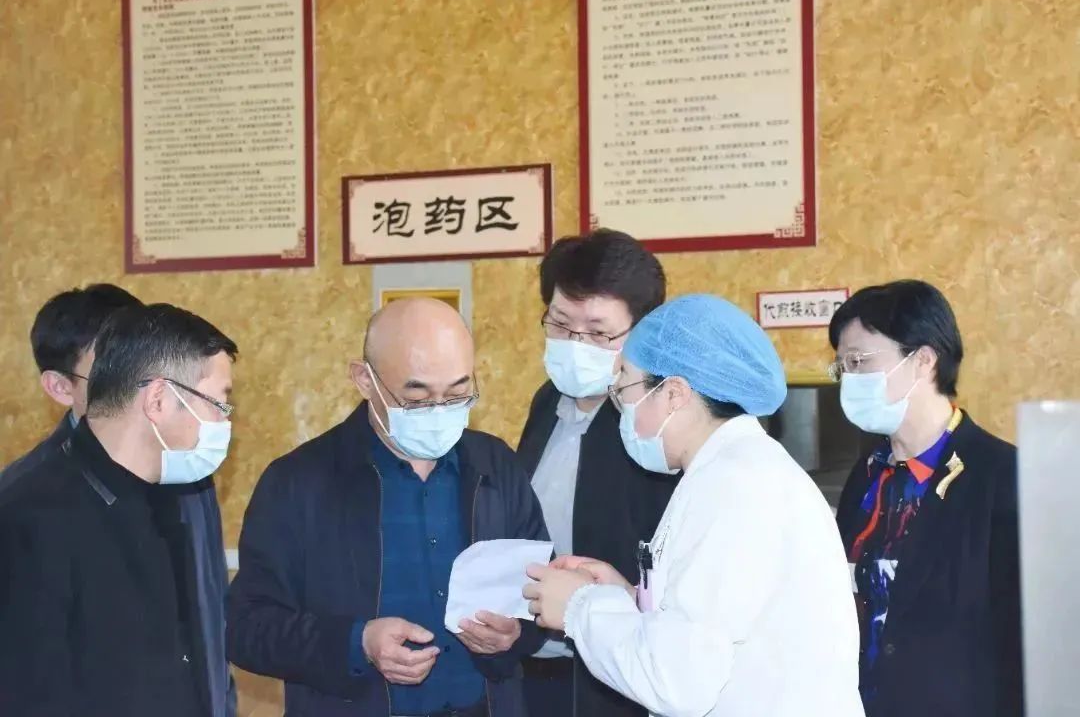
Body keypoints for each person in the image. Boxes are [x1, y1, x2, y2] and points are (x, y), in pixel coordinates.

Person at [524, 294, 863, 717]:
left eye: (624, 389)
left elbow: (678, 681)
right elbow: (708, 621)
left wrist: (579, 607)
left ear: (673, 394)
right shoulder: (725, 470)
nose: (621, 410)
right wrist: (628, 597)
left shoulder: (735, 486)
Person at [227, 298, 549, 717]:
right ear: (365, 380)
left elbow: (540, 588)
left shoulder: (496, 466)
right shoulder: (297, 482)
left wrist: (517, 633)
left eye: (457, 393)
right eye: (417, 397)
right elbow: (246, 627)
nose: (439, 411)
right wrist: (356, 643)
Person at [0, 284, 238, 717]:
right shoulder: (28, 513)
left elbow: (203, 631)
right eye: (218, 404)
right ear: (158, 399)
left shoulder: (182, 478)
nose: (224, 422)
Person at [827, 280, 1022, 717]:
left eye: (858, 361)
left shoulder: (1002, 477)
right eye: (841, 367)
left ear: (924, 360)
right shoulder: (867, 474)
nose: (848, 379)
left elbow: (1023, 636)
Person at [516, 229, 675, 717]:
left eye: (599, 332)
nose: (575, 344)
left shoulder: (655, 424)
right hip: (538, 663)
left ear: (640, 332)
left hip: (618, 675)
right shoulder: (547, 401)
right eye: (561, 324)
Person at [0, 283, 141, 494]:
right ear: (61, 388)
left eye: (149, 360)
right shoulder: (22, 495)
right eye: (115, 369)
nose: (149, 385)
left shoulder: (182, 456)